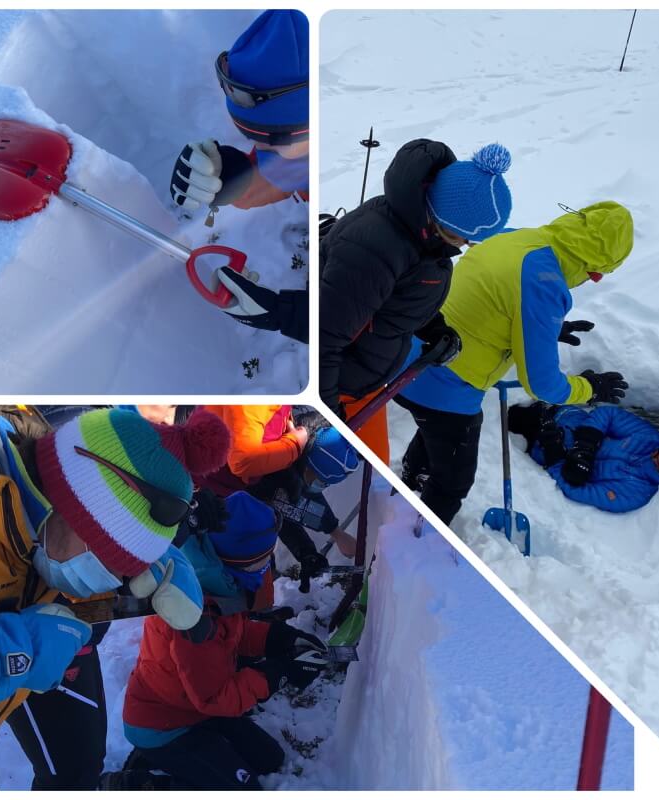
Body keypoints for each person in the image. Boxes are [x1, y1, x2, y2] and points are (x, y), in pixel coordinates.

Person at [0, 405, 230, 790]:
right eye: (110, 562)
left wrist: (148, 557)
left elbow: (73, 540)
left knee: (77, 768)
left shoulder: (54, 500)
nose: (114, 579)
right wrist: (5, 653)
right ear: (70, 509)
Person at [395, 201, 634, 525]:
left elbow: (494, 296)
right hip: (445, 383)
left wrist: (543, 330)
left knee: (437, 430)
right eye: (595, 276)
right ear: (592, 267)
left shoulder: (518, 238)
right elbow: (543, 385)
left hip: (406, 356)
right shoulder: (546, 281)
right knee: (453, 481)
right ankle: (415, 540)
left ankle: (410, 479)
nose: (590, 280)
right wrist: (590, 389)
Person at [319, 141, 513, 462]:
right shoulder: (374, 250)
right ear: (441, 219)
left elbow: (398, 298)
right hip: (338, 385)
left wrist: (434, 329)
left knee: (367, 466)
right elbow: (323, 338)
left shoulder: (424, 238)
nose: (466, 247)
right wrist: (328, 412)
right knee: (357, 466)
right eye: (464, 238)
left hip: (364, 378)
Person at [119, 491, 327, 790]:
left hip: (193, 707)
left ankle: (193, 757)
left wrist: (278, 638)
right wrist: (276, 674)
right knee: (243, 789)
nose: (265, 570)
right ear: (237, 560)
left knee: (269, 759)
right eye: (260, 564)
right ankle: (136, 784)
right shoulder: (190, 612)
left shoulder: (218, 582)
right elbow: (215, 698)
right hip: (162, 723)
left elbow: (232, 636)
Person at [170, 10, 309, 342]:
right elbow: (279, 177)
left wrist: (290, 315)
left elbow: (369, 323)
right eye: (251, 135)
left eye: (274, 137)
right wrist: (228, 177)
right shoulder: (296, 148)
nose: (261, 146)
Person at [200, 406, 359, 588]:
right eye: (317, 480)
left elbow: (285, 504)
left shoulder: (296, 450)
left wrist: (309, 551)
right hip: (209, 501)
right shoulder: (269, 460)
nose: (316, 487)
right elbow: (275, 504)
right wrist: (334, 534)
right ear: (305, 464)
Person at [508, 402, 659, 512]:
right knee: (508, 413)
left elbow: (579, 492)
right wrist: (586, 445)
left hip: (540, 450)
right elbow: (608, 414)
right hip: (558, 416)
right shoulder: (649, 438)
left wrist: (554, 457)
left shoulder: (637, 493)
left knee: (495, 440)